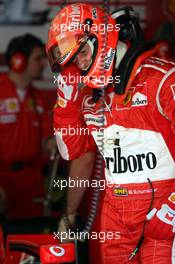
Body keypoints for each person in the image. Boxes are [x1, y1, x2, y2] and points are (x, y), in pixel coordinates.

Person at [46, 4, 175, 263]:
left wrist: (172, 208)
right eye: (72, 60)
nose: (79, 63)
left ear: (101, 36)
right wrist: (65, 104)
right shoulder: (89, 99)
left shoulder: (163, 80)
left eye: (82, 51)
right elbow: (72, 152)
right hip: (116, 216)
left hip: (162, 215)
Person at [0, 33, 54, 220]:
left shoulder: (39, 98)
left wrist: (57, 143)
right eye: (38, 58)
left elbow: (46, 142)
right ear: (18, 60)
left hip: (32, 181)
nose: (43, 64)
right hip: (3, 179)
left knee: (30, 237)